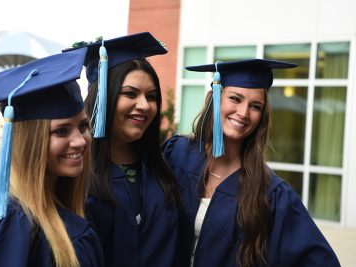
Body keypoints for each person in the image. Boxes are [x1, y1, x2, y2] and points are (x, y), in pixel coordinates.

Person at [162, 59, 341, 267]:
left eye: (255, 106)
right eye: (235, 99)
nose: (244, 113)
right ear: (214, 98)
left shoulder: (270, 192)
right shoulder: (176, 154)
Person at [0, 48, 103, 267]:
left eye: (83, 126)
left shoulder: (47, 209)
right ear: (29, 143)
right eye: (61, 131)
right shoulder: (11, 223)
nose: (80, 141)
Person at [65, 32, 182, 267]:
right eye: (130, 93)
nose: (144, 105)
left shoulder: (162, 168)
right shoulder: (74, 174)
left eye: (151, 96)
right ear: (103, 97)